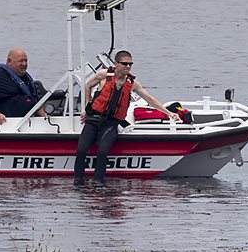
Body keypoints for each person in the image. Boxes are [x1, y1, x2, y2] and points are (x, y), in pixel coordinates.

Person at [73, 50, 178, 186]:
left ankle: (98, 183)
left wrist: (169, 113)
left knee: (102, 151)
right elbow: (87, 86)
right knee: (81, 149)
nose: (128, 67)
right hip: (93, 119)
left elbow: (150, 99)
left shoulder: (132, 83)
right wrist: (86, 108)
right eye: (124, 64)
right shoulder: (103, 75)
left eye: (130, 64)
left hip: (111, 123)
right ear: (116, 64)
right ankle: (78, 181)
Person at [0, 47, 46, 124]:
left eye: (26, 61)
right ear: (9, 61)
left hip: (27, 122)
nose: (24, 64)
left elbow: (34, 101)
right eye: (20, 61)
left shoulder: (25, 77)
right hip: (6, 123)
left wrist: (44, 118)